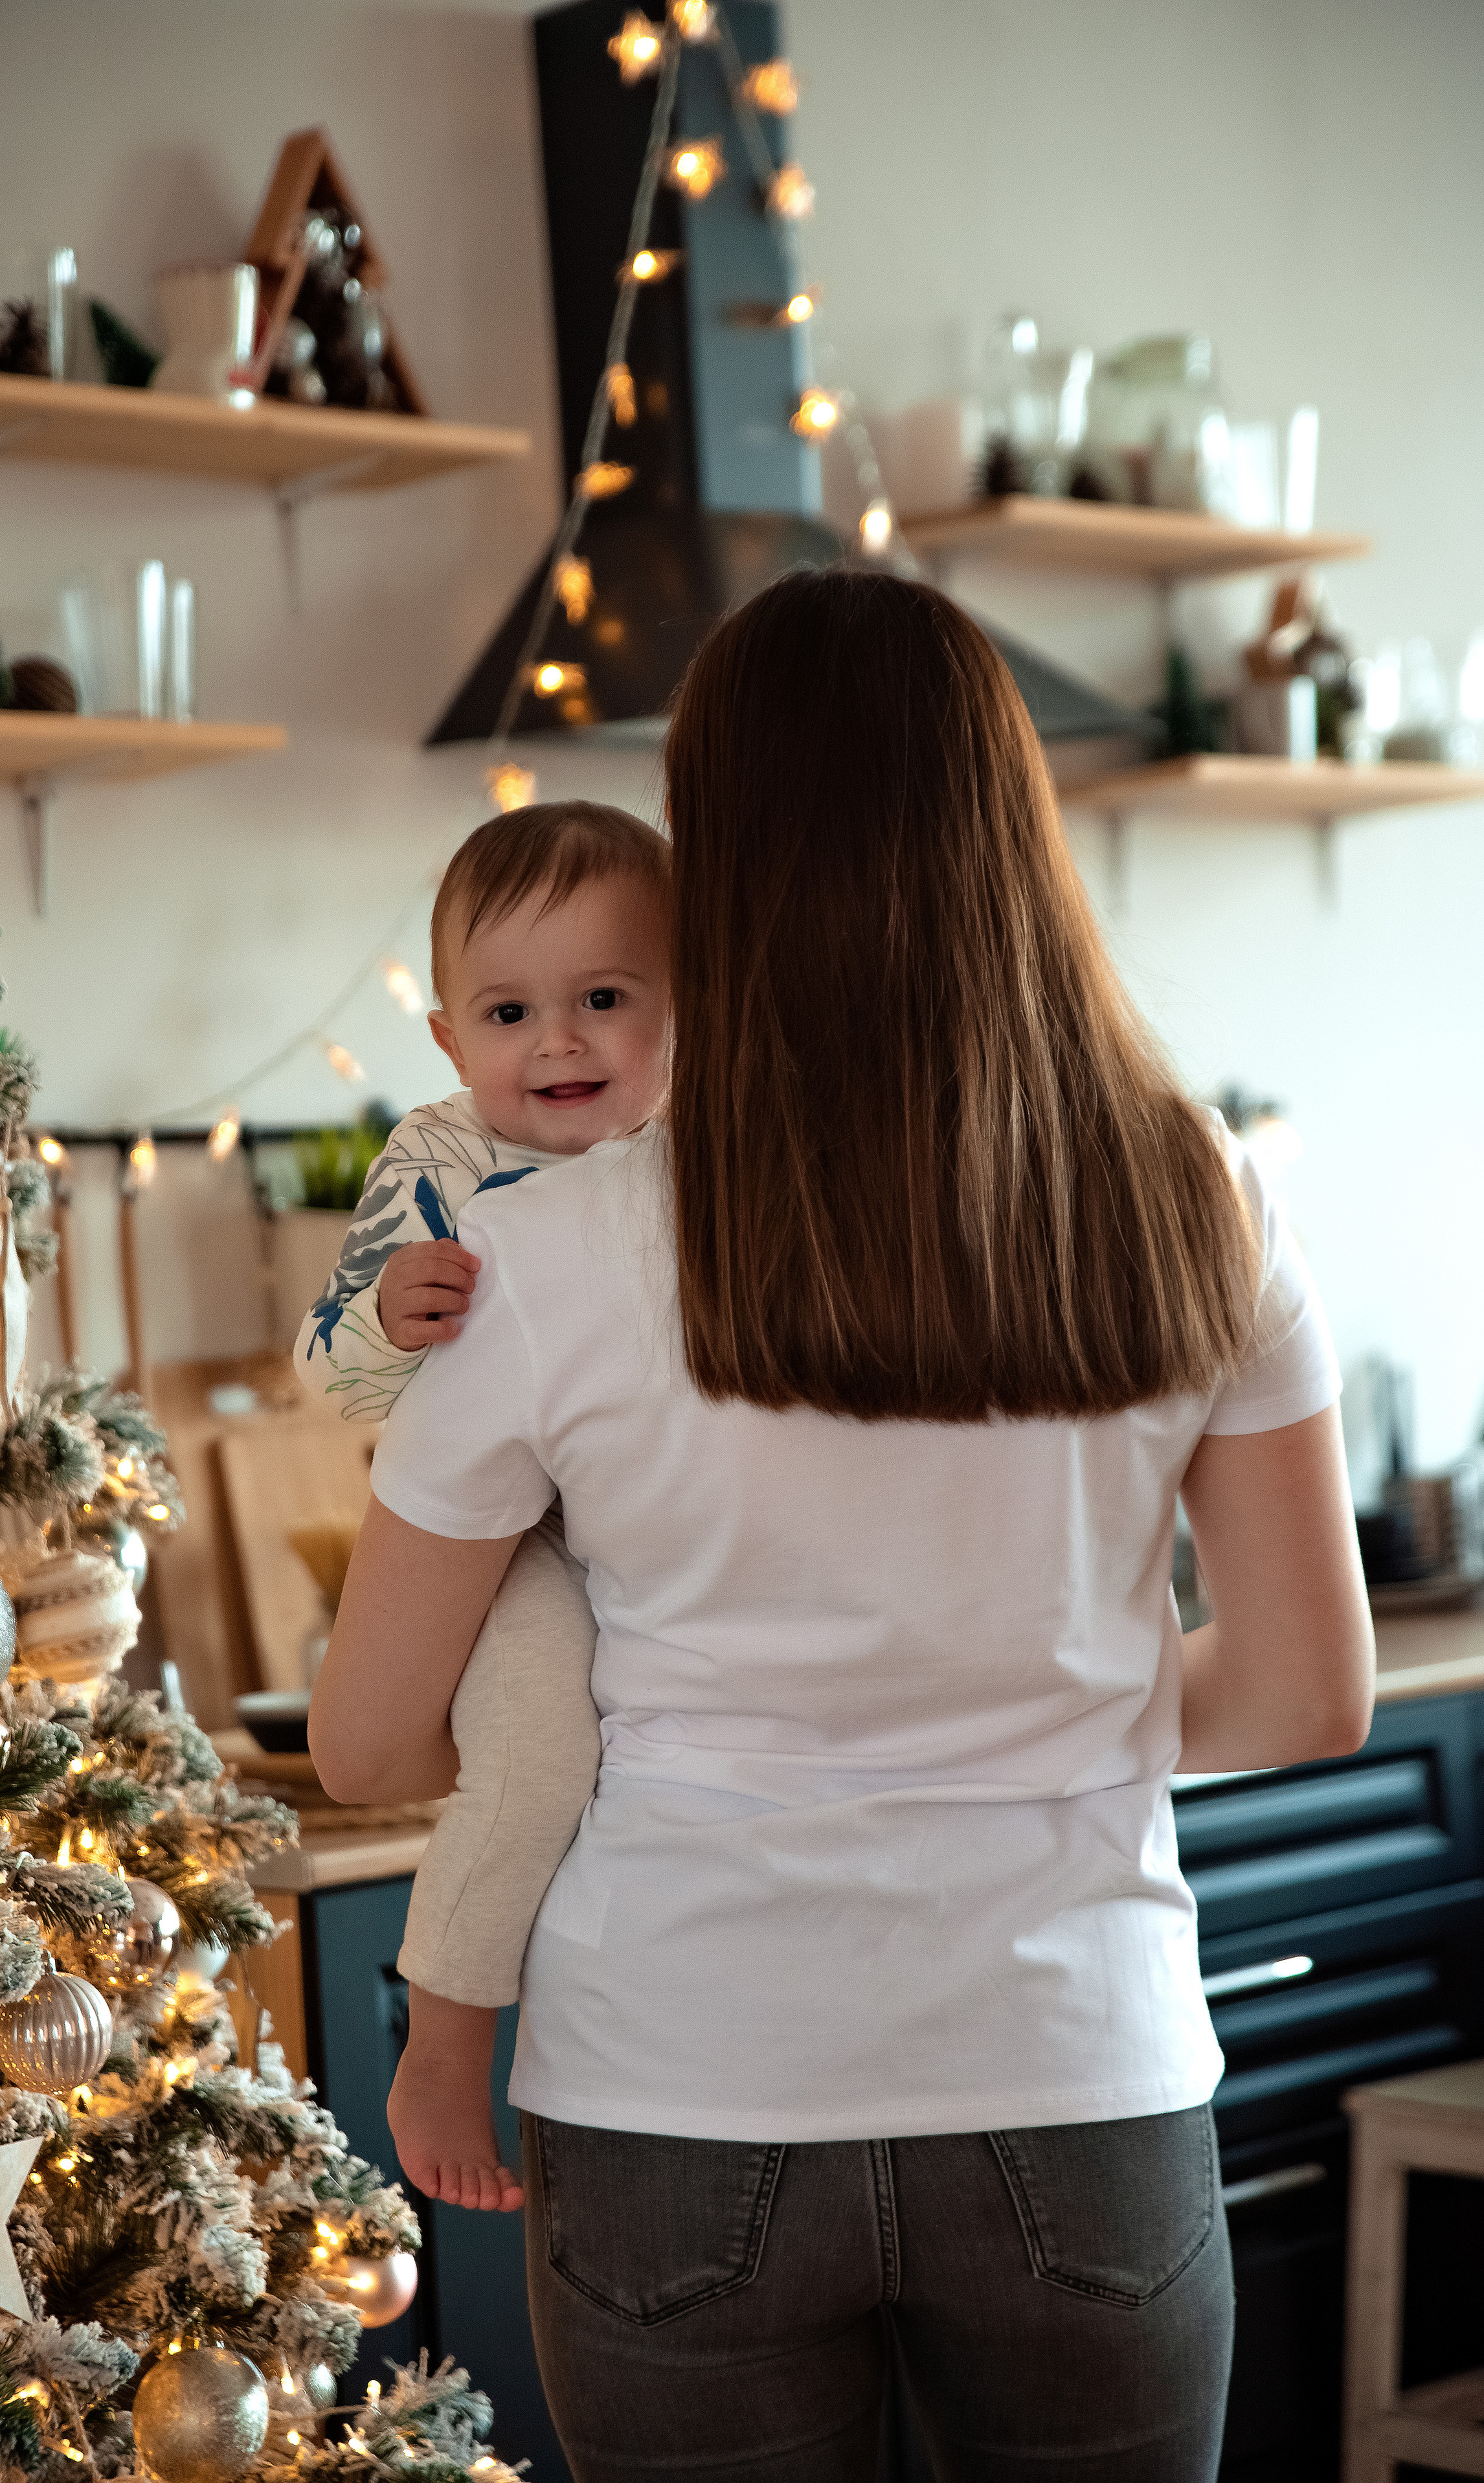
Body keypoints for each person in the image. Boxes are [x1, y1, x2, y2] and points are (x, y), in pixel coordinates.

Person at [309, 568, 1375, 2483]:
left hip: (678, 2094)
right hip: (1083, 2081)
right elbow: (1307, 1694)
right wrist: (1045, 1708)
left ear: (714, 856)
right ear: (1009, 824)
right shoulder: (1195, 1187)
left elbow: (371, 1740)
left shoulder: (544, 1251)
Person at [296, 801, 669, 2209]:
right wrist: (389, 1316)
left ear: (679, 1007)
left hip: (627, 1524)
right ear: (451, 1037)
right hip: (495, 1548)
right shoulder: (438, 1158)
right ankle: (446, 2036)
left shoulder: (709, 1153)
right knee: (537, 1751)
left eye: (603, 1000)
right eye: (510, 1010)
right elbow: (327, 1371)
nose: (557, 1043)